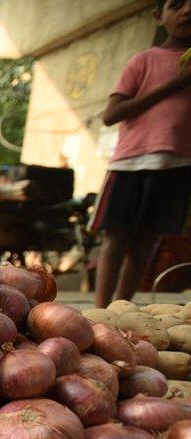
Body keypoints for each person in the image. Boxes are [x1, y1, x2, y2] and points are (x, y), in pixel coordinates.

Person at [92, 0, 191, 308]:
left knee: (146, 243)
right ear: (158, 16)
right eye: (176, 5)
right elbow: (111, 114)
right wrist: (178, 83)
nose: (188, 11)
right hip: (132, 162)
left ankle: (122, 309)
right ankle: (101, 311)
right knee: (117, 238)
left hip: (178, 165)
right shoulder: (144, 60)